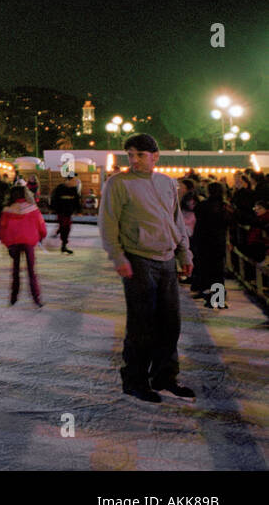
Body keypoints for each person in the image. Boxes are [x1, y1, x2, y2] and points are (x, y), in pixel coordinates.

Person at [99, 133, 195, 403]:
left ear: (155, 156)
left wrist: (183, 253)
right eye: (130, 155)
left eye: (140, 154)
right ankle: (135, 380)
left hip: (166, 259)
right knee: (142, 324)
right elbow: (108, 223)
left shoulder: (167, 183)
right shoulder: (118, 183)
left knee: (170, 322)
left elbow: (175, 220)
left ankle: (165, 376)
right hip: (138, 258)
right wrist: (118, 257)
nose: (134, 160)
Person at [0, 184, 45, 306]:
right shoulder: (32, 208)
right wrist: (41, 236)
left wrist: (5, 242)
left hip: (14, 243)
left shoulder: (7, 210)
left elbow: (2, 228)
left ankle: (13, 298)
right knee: (31, 271)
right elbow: (41, 224)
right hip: (29, 242)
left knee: (15, 271)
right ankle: (36, 299)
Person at [189, 182, 233, 307]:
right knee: (218, 271)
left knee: (205, 269)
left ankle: (208, 295)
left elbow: (198, 216)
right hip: (218, 241)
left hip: (204, 241)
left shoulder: (203, 206)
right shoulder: (224, 207)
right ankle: (217, 299)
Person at [49, 173, 81, 254]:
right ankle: (63, 245)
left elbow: (76, 200)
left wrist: (78, 210)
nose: (76, 181)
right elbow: (54, 198)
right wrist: (54, 208)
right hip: (61, 212)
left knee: (66, 227)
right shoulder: (60, 188)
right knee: (65, 227)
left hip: (68, 212)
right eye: (74, 180)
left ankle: (63, 244)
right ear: (69, 179)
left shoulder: (74, 189)